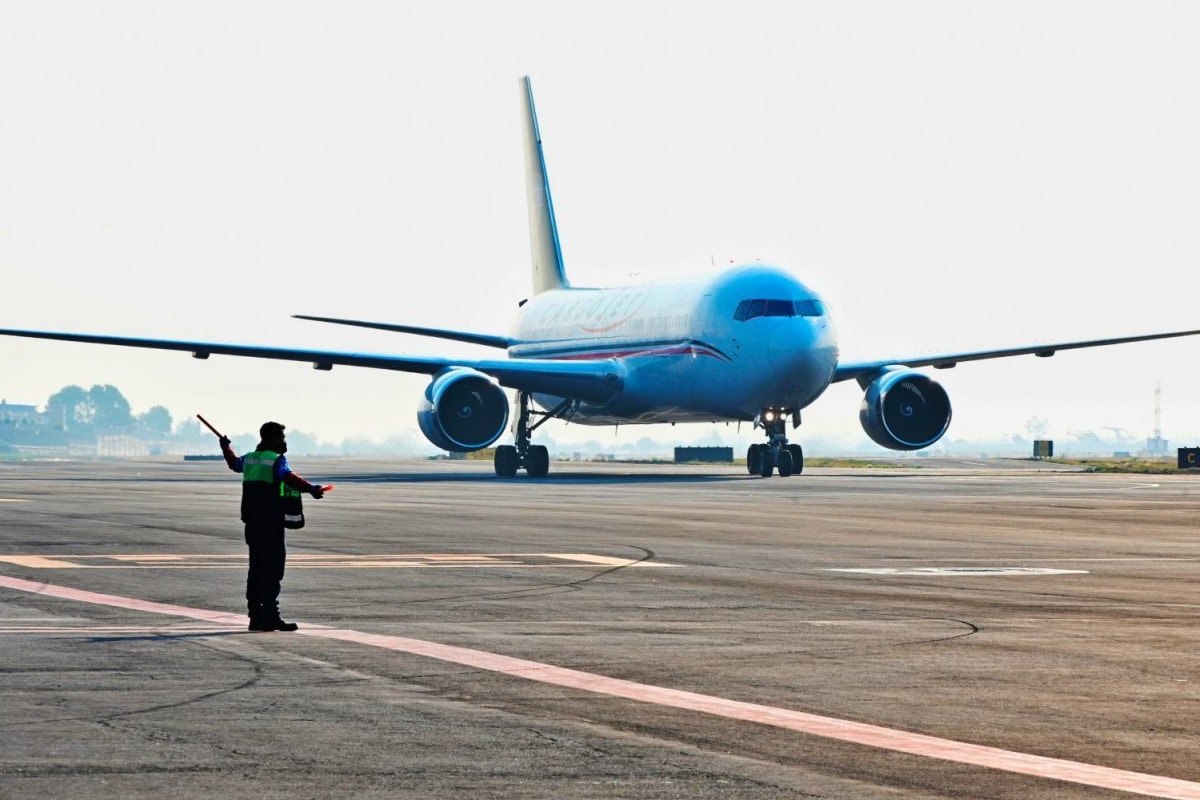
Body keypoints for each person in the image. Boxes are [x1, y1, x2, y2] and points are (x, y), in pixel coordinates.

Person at [218, 421, 324, 632]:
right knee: (273, 569)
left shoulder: (249, 458)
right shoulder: (276, 460)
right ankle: (271, 616)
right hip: (271, 522)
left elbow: (233, 464)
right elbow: (288, 477)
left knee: (256, 568)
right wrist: (311, 489)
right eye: (281, 438)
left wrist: (225, 447)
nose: (284, 442)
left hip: (252, 522)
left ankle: (256, 617)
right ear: (272, 439)